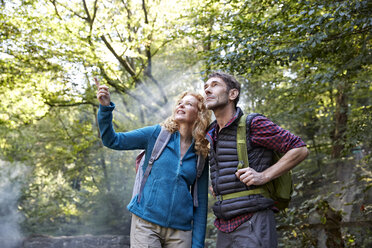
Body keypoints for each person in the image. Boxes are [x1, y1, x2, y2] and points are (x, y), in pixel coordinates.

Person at [96, 81, 211, 248]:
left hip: (181, 230)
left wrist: (198, 244)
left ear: (199, 114)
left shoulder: (201, 152)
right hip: (146, 223)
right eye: (180, 103)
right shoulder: (156, 134)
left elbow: (200, 201)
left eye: (189, 104)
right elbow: (112, 140)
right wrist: (105, 108)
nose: (181, 106)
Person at [203, 72, 309, 248]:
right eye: (205, 87)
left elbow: (299, 149)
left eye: (214, 85)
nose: (207, 90)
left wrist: (263, 176)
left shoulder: (252, 123)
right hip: (223, 224)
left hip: (253, 221)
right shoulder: (212, 134)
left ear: (232, 94)